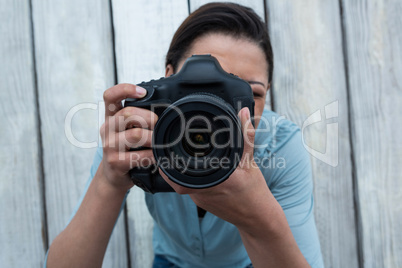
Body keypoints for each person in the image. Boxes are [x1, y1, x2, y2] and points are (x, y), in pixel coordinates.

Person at [46, 3, 324, 268]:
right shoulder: (136, 133)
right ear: (169, 77)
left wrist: (258, 218)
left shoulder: (280, 146)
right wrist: (108, 183)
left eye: (250, 94)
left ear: (268, 93)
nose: (218, 113)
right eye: (206, 89)